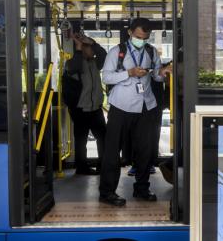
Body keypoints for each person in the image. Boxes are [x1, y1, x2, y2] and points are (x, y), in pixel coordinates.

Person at [99, 18, 171, 206]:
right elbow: (106, 77)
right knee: (112, 151)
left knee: (145, 151)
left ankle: (142, 189)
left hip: (145, 106)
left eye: (145, 37)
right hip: (121, 107)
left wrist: (162, 73)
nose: (141, 40)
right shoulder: (117, 51)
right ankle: (107, 193)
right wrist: (129, 73)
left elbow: (155, 75)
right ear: (130, 32)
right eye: (138, 36)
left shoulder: (151, 51)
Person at [64, 32, 107, 175]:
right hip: (80, 108)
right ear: (82, 49)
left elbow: (104, 56)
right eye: (90, 49)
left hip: (95, 108)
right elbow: (75, 66)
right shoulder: (72, 64)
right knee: (81, 139)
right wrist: (78, 47)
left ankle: (103, 164)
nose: (93, 52)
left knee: (103, 137)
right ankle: (82, 167)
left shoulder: (94, 63)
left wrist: (92, 42)